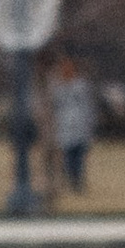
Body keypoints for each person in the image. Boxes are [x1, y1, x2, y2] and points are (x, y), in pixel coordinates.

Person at [46, 51, 98, 196]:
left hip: (80, 127)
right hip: (65, 127)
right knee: (68, 157)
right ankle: (70, 181)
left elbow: (88, 108)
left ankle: (78, 182)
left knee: (79, 157)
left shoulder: (81, 86)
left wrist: (90, 125)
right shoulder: (57, 87)